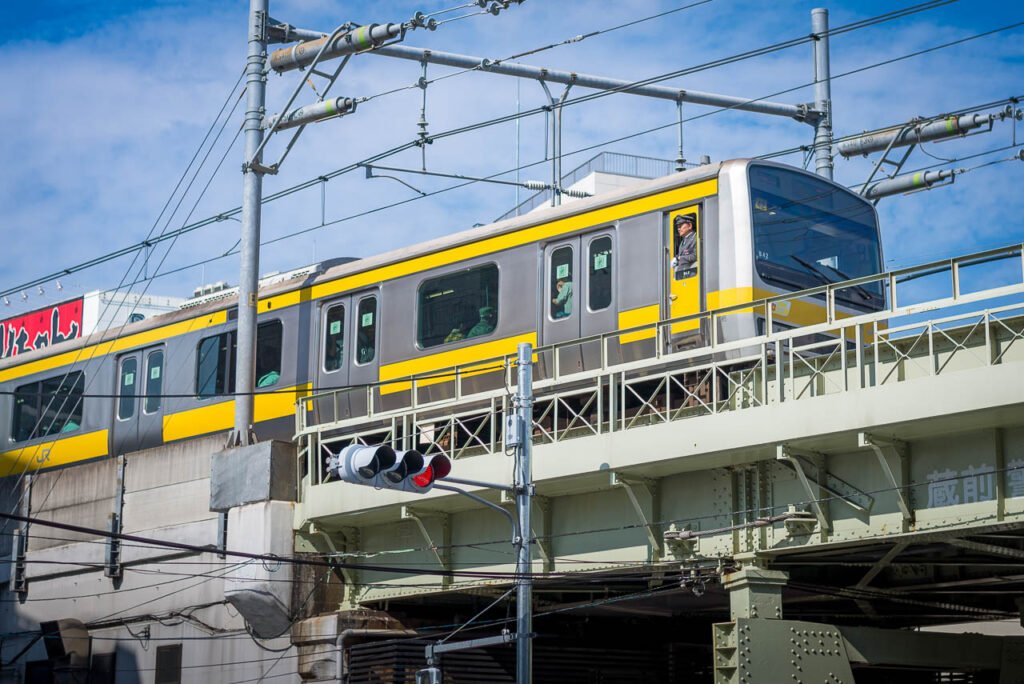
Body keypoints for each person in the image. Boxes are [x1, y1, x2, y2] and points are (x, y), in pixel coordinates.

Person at [672, 213, 697, 278]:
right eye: (677, 227)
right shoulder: (683, 242)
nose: (678, 229)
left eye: (680, 226)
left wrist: (679, 259)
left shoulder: (696, 238)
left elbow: (696, 255)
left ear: (689, 226)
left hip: (693, 275)